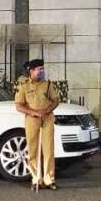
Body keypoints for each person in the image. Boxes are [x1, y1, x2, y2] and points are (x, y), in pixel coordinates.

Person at [15, 58, 61, 190]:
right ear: (31, 71)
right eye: (40, 69)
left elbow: (55, 100)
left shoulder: (47, 84)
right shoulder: (23, 86)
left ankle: (49, 179)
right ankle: (36, 179)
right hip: (32, 119)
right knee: (33, 149)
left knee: (48, 149)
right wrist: (33, 112)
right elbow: (19, 105)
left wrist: (46, 110)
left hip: (47, 118)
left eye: (43, 69)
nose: (42, 71)